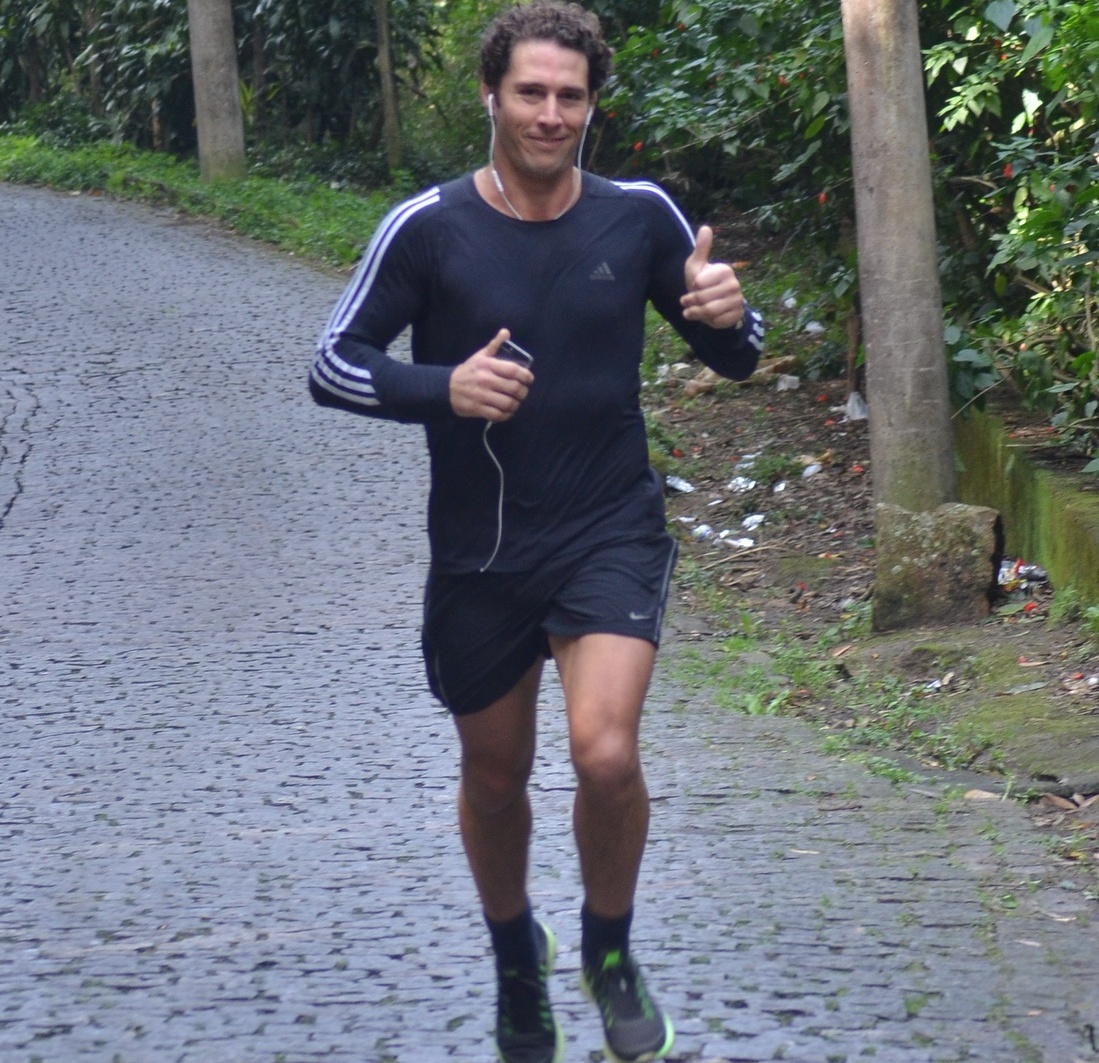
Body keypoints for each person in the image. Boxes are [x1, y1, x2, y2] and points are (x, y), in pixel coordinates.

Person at [310, 3, 763, 1060]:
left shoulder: (637, 216)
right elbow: (333, 363)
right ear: (491, 95)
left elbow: (737, 353)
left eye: (570, 95)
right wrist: (442, 387)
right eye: (531, 93)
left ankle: (608, 950)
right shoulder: (427, 227)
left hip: (609, 526)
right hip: (481, 548)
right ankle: (517, 954)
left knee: (604, 753)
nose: (551, 114)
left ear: (591, 104)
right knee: (494, 776)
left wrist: (726, 313)